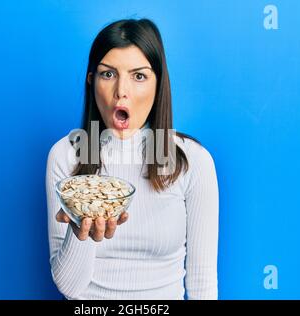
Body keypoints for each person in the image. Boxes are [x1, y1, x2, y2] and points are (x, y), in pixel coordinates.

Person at [46, 18, 219, 300]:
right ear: (91, 81)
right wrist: (82, 234)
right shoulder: (65, 156)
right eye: (108, 74)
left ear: (158, 83)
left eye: (138, 76)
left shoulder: (193, 161)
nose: (121, 91)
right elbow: (69, 287)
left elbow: (203, 285)